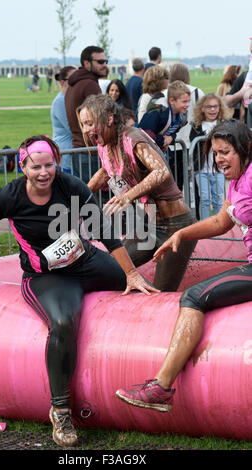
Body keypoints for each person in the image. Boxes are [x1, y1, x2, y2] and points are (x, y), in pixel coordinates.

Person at [0, 135, 156, 448]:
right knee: (63, 323)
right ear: (22, 166)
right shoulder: (9, 196)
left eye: (49, 165)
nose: (43, 172)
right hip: (47, 278)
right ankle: (61, 409)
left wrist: (130, 274)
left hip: (85, 261)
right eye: (36, 166)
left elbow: (104, 231)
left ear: (57, 164)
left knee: (143, 290)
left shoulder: (70, 186)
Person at [116, 119, 252, 412]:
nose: (219, 159)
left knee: (193, 296)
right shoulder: (237, 183)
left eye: (226, 151)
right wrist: (181, 234)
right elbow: (221, 221)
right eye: (216, 152)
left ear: (245, 149)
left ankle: (161, 388)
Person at [77, 94, 197, 292]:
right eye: (83, 124)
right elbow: (106, 172)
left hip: (177, 226)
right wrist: (80, 194)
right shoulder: (106, 145)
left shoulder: (133, 138)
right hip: (149, 225)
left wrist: (127, 196)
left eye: (89, 123)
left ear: (109, 118)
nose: (86, 130)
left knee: (162, 292)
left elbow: (161, 172)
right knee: (112, 267)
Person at [155, 63, 204, 190]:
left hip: (171, 144)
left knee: (174, 186)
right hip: (191, 144)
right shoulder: (197, 92)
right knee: (194, 185)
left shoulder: (163, 94)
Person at [65, 45, 108, 183]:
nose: (104, 65)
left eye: (105, 61)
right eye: (100, 62)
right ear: (87, 63)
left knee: (84, 198)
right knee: (96, 199)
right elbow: (102, 118)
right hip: (91, 152)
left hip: (79, 151)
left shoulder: (73, 84)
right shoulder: (90, 85)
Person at [190, 93, 232, 220]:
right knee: (205, 198)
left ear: (220, 108)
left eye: (215, 106)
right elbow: (193, 141)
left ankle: (220, 225)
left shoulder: (223, 124)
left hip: (218, 168)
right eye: (208, 107)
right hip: (201, 169)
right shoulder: (197, 126)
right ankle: (205, 225)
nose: (212, 110)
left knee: (219, 197)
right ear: (202, 108)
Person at [138, 80, 190, 160]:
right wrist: (163, 140)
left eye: (188, 101)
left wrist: (171, 138)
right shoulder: (158, 112)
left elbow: (173, 132)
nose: (187, 105)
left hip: (159, 151)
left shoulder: (181, 116)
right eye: (184, 102)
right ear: (172, 101)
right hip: (145, 153)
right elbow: (144, 133)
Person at [51, 66, 76, 173]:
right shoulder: (60, 101)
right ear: (62, 82)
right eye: (72, 79)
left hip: (71, 154)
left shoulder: (71, 98)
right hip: (64, 157)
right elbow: (73, 128)